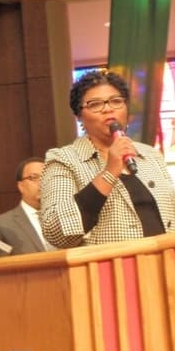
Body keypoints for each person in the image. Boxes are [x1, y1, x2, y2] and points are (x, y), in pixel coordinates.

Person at [41, 70, 175, 248]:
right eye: (95, 104)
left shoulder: (149, 154)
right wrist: (110, 172)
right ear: (79, 116)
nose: (108, 108)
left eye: (116, 101)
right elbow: (55, 231)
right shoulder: (63, 160)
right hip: (110, 271)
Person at [0, 157, 51, 254]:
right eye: (33, 177)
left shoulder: (67, 217)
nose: (42, 182)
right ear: (21, 186)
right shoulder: (0, 225)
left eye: (46, 177)